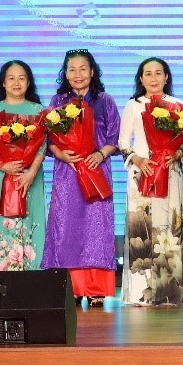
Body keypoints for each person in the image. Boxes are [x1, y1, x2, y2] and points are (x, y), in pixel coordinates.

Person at [42, 49, 121, 306]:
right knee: (66, 229)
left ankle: (96, 289)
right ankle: (71, 289)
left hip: (96, 171)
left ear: (92, 71)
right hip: (68, 174)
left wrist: (100, 154)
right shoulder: (57, 102)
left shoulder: (105, 100)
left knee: (96, 230)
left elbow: (115, 137)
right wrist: (61, 154)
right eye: (72, 69)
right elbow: (47, 140)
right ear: (65, 73)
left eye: (83, 69)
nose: (77, 74)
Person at [118, 57, 183, 306]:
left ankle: (168, 293)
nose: (153, 78)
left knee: (168, 231)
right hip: (143, 175)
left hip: (170, 174)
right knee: (143, 232)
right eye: (147, 73)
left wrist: (177, 153)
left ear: (166, 77)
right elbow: (123, 142)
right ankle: (141, 293)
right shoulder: (133, 105)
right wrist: (137, 159)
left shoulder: (178, 106)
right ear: (140, 79)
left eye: (158, 73)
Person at [0, 60, 46, 271]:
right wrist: (2, 164)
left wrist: (31, 173)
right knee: (2, 226)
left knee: (32, 224)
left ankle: (32, 279)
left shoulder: (39, 111)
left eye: (21, 78)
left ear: (29, 83)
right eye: (11, 78)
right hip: (2, 177)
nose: (16, 83)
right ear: (3, 83)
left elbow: (42, 147)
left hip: (31, 179)